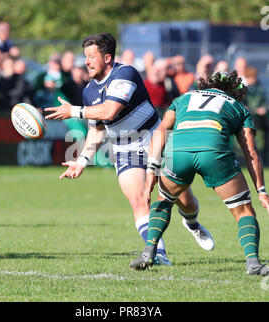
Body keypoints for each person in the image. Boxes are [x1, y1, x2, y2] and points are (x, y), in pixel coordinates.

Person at [45, 33, 214, 265]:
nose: (86, 62)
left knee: (183, 198)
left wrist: (74, 111)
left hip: (155, 141)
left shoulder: (125, 73)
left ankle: (192, 223)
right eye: (85, 57)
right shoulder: (88, 91)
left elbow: (110, 111)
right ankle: (157, 254)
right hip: (124, 148)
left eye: (91, 57)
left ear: (107, 57)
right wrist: (82, 161)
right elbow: (98, 129)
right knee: (138, 199)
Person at [130, 71, 269, 276]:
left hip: (178, 152)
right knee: (244, 211)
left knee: (164, 199)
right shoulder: (238, 107)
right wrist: (262, 190)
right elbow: (251, 152)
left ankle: (149, 252)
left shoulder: (183, 98)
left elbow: (161, 131)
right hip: (213, 152)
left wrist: (152, 168)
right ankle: (254, 263)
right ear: (233, 92)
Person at [243, 66, 269, 166]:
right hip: (249, 120)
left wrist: (264, 109)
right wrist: (254, 110)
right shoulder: (244, 90)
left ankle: (264, 158)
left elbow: (265, 102)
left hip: (262, 120)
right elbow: (242, 105)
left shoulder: (261, 88)